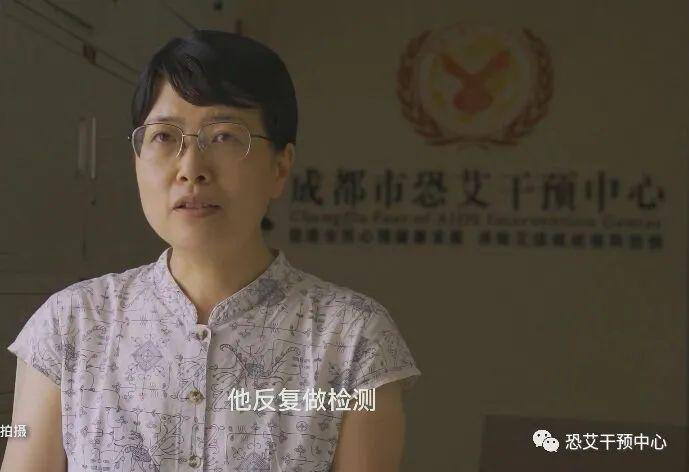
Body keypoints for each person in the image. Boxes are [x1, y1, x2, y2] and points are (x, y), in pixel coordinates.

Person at [1, 30, 421, 472]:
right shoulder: (70, 326)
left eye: (223, 137)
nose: (191, 169)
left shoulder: (353, 341)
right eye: (164, 137)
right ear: (137, 160)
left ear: (281, 167)